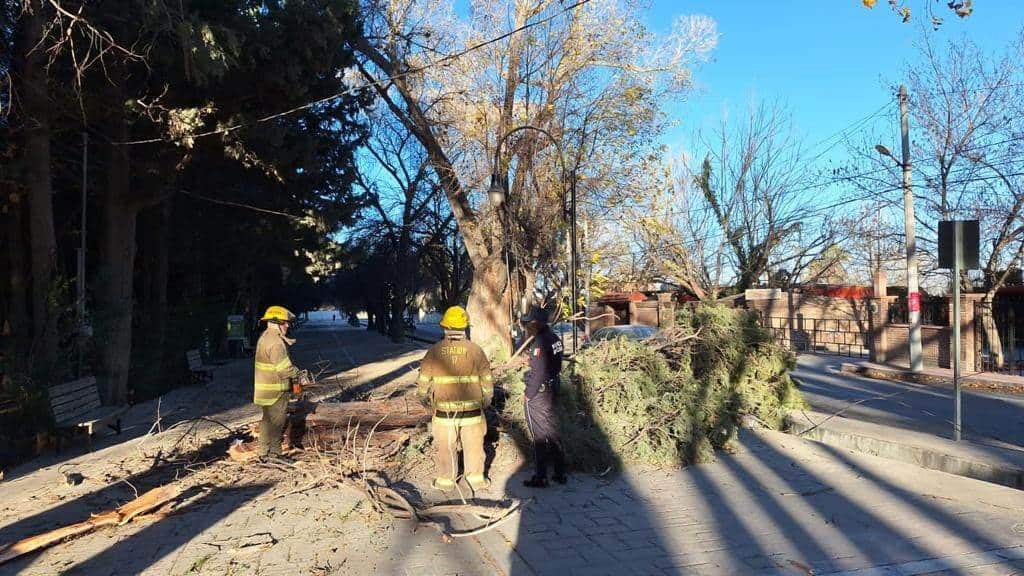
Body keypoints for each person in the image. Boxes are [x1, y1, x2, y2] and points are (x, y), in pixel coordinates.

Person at [417, 306, 493, 491]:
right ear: (465, 328)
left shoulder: (435, 351)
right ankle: (475, 479)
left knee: (445, 447)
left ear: (445, 328)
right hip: (473, 411)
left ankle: (446, 482)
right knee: (474, 446)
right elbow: (487, 378)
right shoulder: (476, 350)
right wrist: (488, 397)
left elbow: (424, 380)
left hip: (444, 412)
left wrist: (423, 397)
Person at [521, 306, 567, 488]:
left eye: (528, 323)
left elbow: (538, 372)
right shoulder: (554, 338)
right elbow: (552, 364)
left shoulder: (539, 342)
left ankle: (540, 477)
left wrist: (528, 394)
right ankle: (560, 473)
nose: (526, 327)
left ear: (536, 323)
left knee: (539, 435)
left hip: (539, 394)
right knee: (553, 431)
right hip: (553, 388)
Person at [254, 305, 303, 463]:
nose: (287, 325)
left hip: (264, 390)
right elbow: (284, 370)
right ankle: (275, 455)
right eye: (285, 322)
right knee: (277, 423)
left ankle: (263, 453)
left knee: (266, 422)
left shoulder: (265, 337)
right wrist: (299, 375)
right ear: (276, 322)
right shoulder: (276, 342)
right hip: (276, 390)